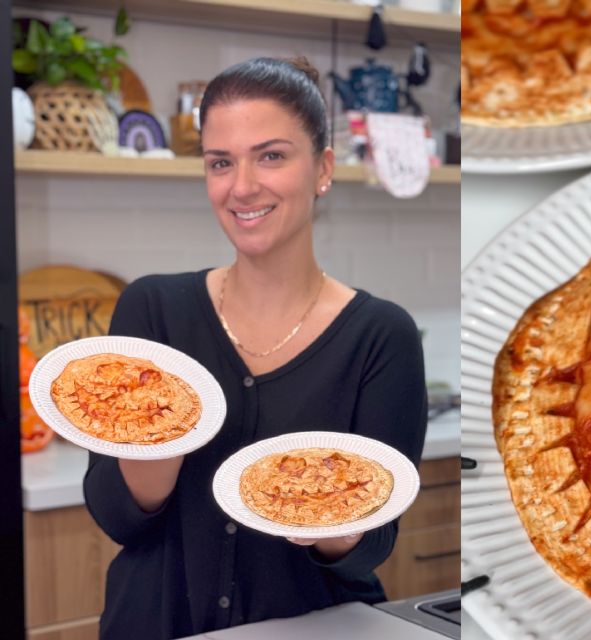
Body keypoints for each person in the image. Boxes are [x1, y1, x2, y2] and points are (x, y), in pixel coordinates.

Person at [83, 57, 428, 639]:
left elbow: (373, 546)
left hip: (317, 626)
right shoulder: (152, 310)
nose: (241, 186)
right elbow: (117, 519)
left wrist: (328, 518)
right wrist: (161, 435)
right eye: (221, 162)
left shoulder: (381, 335)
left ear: (322, 169)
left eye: (271, 155)